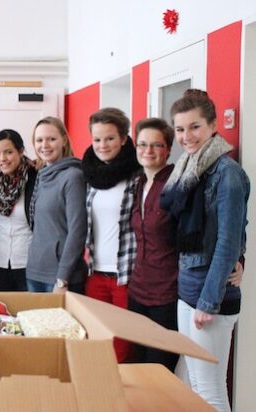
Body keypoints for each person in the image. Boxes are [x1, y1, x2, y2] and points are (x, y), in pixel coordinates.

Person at [161, 89, 249, 411]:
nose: (187, 136)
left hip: (210, 297)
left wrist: (209, 302)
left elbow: (228, 240)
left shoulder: (227, 174)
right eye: (180, 129)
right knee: (189, 383)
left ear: (213, 125)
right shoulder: (187, 170)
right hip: (188, 290)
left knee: (209, 392)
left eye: (194, 127)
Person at [81, 107, 140, 362]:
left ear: (124, 139)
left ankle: (125, 400)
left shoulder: (137, 176)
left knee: (123, 347)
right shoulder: (90, 176)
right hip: (95, 273)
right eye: (97, 139)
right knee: (97, 340)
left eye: (110, 138)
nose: (102, 145)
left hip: (126, 275)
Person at [128, 117, 179, 370]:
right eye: (142, 144)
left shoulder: (176, 185)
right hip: (137, 292)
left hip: (166, 296)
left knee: (159, 371)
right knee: (137, 367)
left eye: (156, 145)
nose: (148, 151)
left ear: (168, 149)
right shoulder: (139, 183)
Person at [26, 117, 87, 294]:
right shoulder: (41, 174)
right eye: (39, 140)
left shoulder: (73, 176)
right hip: (35, 273)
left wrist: (62, 279)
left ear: (64, 140)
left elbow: (77, 231)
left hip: (60, 278)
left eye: (51, 139)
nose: (45, 145)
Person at [0, 129, 37, 291]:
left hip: (28, 263)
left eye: (8, 152)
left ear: (20, 151)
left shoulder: (36, 177)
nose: (2, 159)